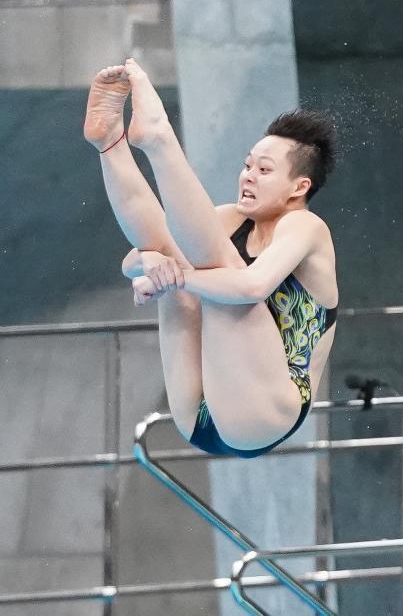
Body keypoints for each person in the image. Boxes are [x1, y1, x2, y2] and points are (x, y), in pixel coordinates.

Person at [83, 58, 339, 458]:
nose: (248, 176)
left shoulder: (306, 228)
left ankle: (161, 140)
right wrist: (153, 266)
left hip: (266, 414)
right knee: (171, 251)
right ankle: (111, 145)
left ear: (298, 187)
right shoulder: (228, 221)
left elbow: (252, 287)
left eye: (264, 170)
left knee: (219, 274)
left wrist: (174, 276)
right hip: (198, 413)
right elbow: (133, 259)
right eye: (247, 165)